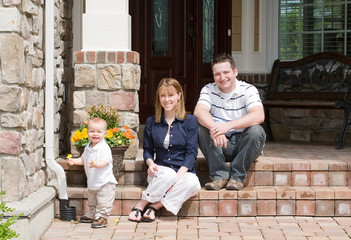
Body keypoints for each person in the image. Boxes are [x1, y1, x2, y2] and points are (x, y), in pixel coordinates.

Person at [128, 78, 201, 222]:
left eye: (170, 95)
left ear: (179, 96)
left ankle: (154, 206)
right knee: (168, 175)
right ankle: (141, 204)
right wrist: (151, 164)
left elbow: (192, 152)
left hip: (182, 171)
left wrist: (179, 174)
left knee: (194, 183)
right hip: (160, 173)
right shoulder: (151, 121)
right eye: (163, 96)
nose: (166, 100)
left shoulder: (190, 121)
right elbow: (147, 150)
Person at [194, 53, 266, 191]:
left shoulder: (248, 90)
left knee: (256, 131)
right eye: (217, 74)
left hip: (244, 145)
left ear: (235, 72)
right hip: (219, 144)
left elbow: (258, 115)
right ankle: (220, 176)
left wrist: (227, 126)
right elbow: (199, 111)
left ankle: (236, 178)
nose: (222, 78)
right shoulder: (208, 89)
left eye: (226, 72)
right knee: (199, 128)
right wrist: (215, 128)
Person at [67, 117, 117, 228]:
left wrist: (96, 164)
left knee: (104, 202)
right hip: (93, 182)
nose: (95, 134)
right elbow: (83, 159)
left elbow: (106, 162)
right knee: (92, 200)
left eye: (99, 132)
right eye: (92, 131)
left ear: (105, 133)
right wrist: (74, 161)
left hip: (105, 183)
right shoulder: (88, 147)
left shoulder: (104, 148)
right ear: (87, 132)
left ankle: (102, 217)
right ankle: (92, 214)